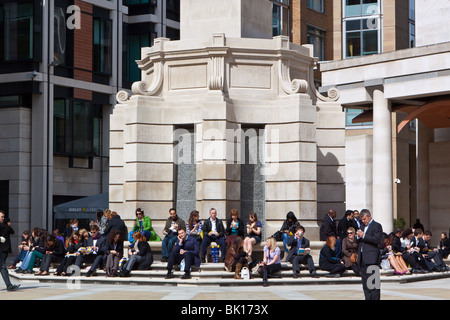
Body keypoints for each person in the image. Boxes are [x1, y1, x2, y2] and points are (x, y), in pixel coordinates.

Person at [356, 209, 383, 300]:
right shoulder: (362, 226)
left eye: (364, 219)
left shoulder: (377, 226)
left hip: (372, 259)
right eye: (362, 220)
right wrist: (358, 236)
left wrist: (363, 236)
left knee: (374, 284)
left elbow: (376, 240)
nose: (363, 221)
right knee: (365, 284)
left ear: (369, 216)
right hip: (363, 258)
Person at [0, 210, 20, 291]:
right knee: (3, 267)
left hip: (3, 249)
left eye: (3, 217)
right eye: (1, 217)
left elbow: (12, 232)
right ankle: (9, 285)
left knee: (2, 267)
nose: (3, 218)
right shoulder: (5, 226)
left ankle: (9, 285)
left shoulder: (4, 226)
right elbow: (12, 231)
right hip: (2, 249)